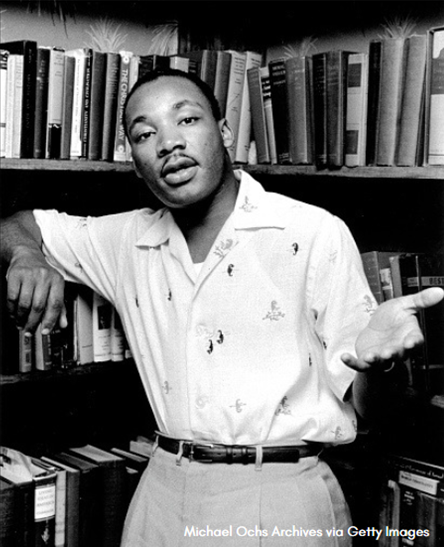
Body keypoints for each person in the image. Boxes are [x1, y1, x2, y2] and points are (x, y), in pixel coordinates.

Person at [1, 68, 443, 546]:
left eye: (187, 120)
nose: (169, 143)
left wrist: (383, 366)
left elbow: (376, 410)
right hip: (162, 493)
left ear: (224, 132)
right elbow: (16, 224)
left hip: (280, 494)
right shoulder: (126, 240)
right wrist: (28, 254)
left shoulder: (311, 232)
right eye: (145, 134)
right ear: (136, 162)